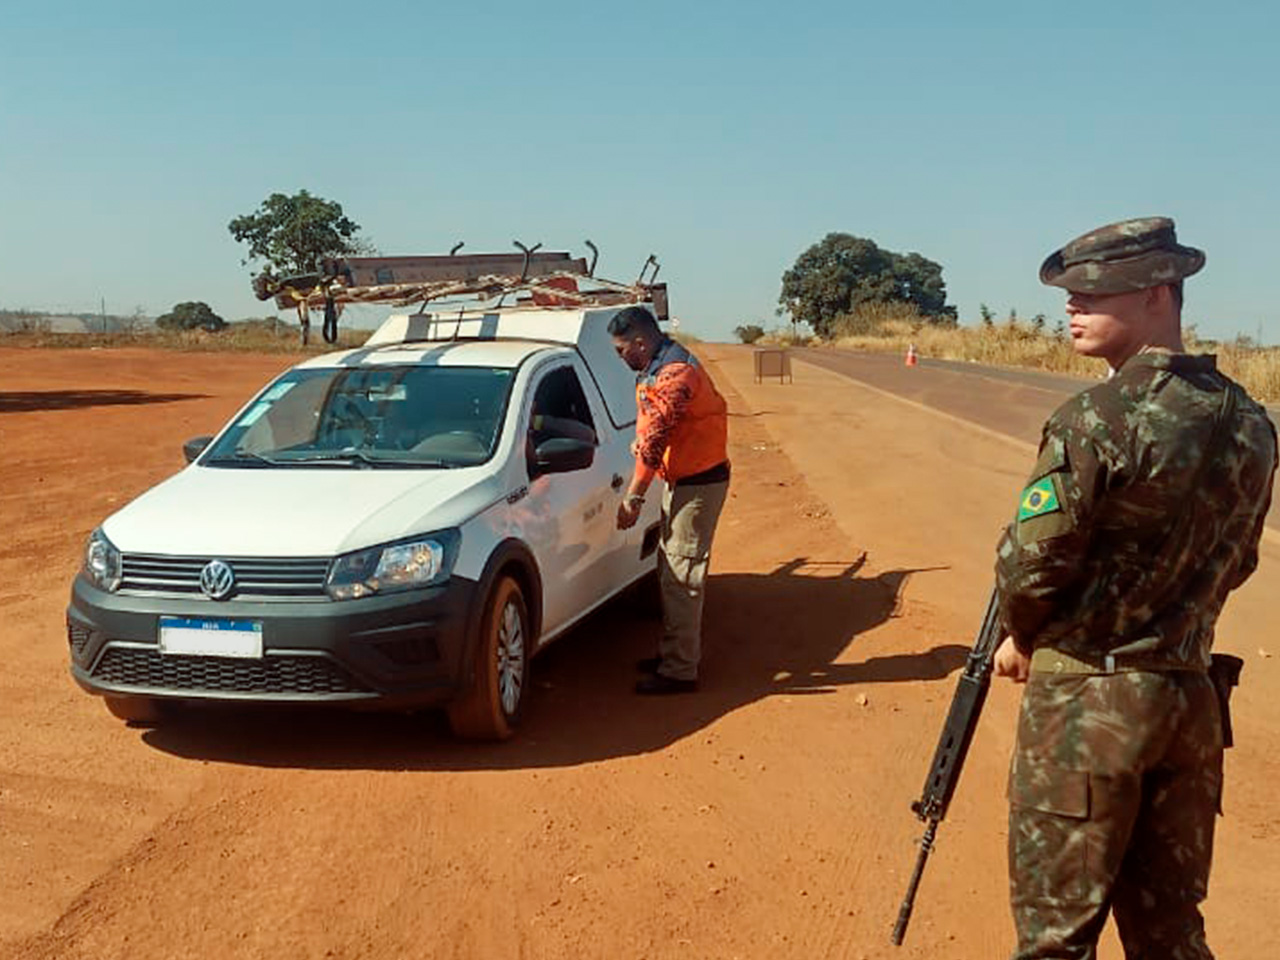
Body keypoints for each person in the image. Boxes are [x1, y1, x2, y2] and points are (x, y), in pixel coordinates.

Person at [992, 216, 1277, 959]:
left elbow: (1031, 565)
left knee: (1056, 943)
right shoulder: (1250, 422)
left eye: (1093, 292)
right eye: (1069, 295)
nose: (1072, 308)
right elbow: (1237, 558)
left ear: (1158, 294)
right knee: (1171, 936)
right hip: (1189, 706)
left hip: (1089, 706)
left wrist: (1023, 637)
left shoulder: (1096, 418)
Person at [610, 305, 730, 695]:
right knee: (670, 566)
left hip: (698, 482)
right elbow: (655, 431)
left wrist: (633, 497)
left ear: (641, 343)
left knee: (682, 574)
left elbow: (656, 437)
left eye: (621, 349)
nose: (619, 357)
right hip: (682, 477)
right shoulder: (657, 364)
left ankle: (680, 670)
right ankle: (673, 653)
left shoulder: (676, 375)